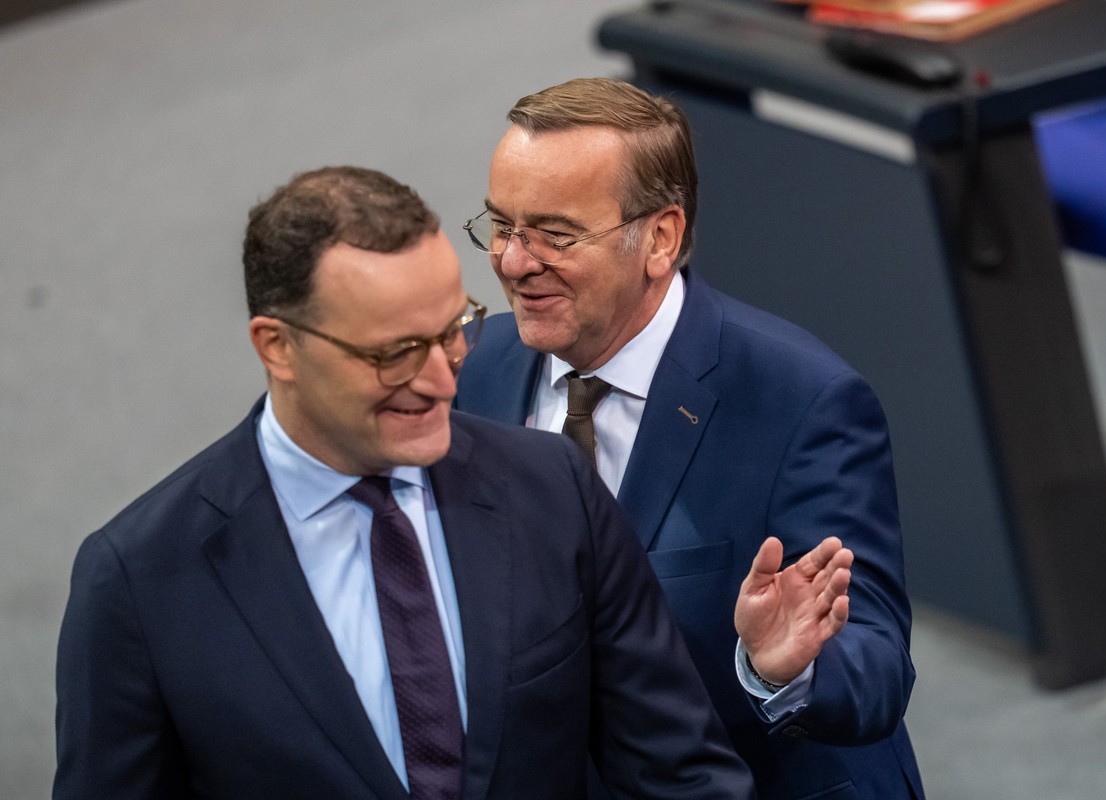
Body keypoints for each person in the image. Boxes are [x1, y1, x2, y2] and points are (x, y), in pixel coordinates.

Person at [53, 166, 756, 800]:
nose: (441, 377)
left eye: (452, 330)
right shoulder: (141, 581)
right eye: (394, 353)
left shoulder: (551, 489)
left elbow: (683, 774)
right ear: (278, 346)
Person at [454, 78, 925, 799]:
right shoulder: (468, 373)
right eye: (503, 226)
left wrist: (783, 667)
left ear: (661, 237)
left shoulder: (802, 402)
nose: (515, 261)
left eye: (555, 234)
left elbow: (877, 663)